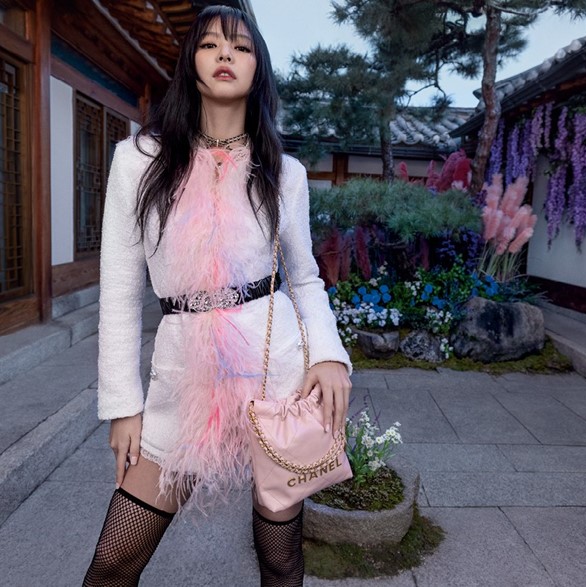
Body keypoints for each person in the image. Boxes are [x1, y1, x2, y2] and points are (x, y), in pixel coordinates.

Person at [83, 6, 351, 585]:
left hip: (274, 378)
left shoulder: (284, 173)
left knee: (280, 559)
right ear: (191, 63)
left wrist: (329, 355)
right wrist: (123, 405)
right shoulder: (138, 161)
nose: (226, 54)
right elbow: (120, 290)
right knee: (113, 562)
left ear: (259, 70)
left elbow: (304, 278)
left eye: (241, 47)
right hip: (181, 382)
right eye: (210, 44)